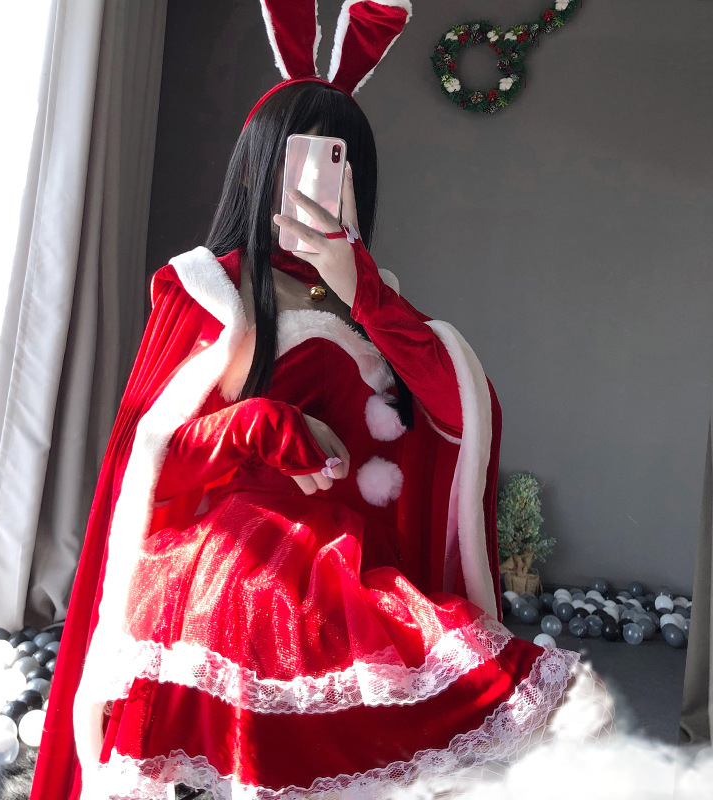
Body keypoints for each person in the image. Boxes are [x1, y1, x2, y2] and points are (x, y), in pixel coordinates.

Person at [31, 6, 615, 799]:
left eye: (340, 163)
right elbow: (149, 468)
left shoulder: (374, 301)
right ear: (255, 168)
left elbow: (455, 416)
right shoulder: (207, 288)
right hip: (233, 563)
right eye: (301, 157)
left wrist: (363, 291)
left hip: (348, 561)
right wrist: (257, 425)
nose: (318, 179)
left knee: (498, 699)